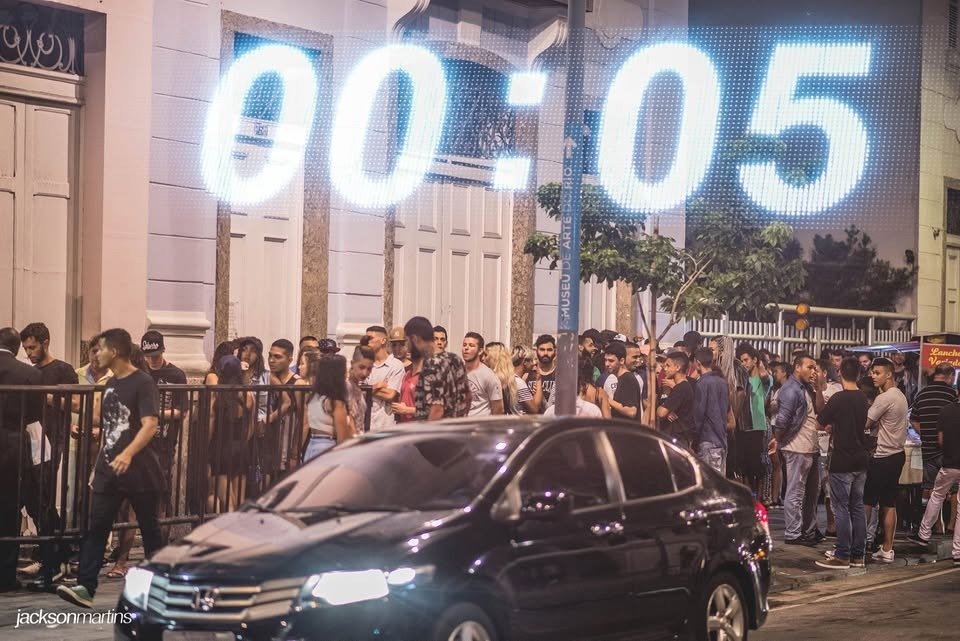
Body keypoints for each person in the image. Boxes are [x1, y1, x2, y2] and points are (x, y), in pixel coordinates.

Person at [57, 329, 164, 609]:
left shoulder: (143, 383)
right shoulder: (112, 384)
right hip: (109, 469)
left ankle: (160, 586)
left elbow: (150, 424)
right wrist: (65, 404)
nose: (96, 354)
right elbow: (104, 420)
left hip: (140, 471)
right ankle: (86, 587)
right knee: (96, 526)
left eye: (101, 349)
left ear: (114, 351)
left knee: (150, 529)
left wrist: (128, 453)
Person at [18, 322, 77, 591]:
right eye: (26, 348)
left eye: (32, 347)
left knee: (43, 497)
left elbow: (76, 402)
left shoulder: (63, 369)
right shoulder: (30, 372)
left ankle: (55, 557)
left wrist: (47, 397)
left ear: (45, 343)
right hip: (31, 439)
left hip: (53, 438)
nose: (29, 353)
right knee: (33, 498)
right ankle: (55, 552)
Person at [816, 357, 871, 569]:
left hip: (842, 459)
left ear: (840, 373)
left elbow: (820, 421)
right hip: (861, 459)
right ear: (858, 374)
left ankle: (842, 555)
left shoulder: (839, 398)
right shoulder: (863, 398)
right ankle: (858, 555)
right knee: (857, 507)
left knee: (841, 509)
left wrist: (831, 426)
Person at [0, 327, 43, 591]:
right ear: (17, 347)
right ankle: (5, 575)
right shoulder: (30, 374)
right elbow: (35, 414)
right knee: (9, 505)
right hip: (12, 443)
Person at [772, 353, 825, 546]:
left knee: (812, 492)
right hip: (797, 447)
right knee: (795, 492)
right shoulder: (791, 389)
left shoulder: (806, 388)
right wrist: (777, 439)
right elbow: (782, 420)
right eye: (809, 367)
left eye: (815, 368)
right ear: (797, 367)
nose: (813, 371)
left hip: (810, 447)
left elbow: (820, 411)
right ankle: (793, 533)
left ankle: (808, 530)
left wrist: (818, 387)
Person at [863, 357, 909, 563]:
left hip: (882, 456)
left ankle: (856, 546)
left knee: (866, 502)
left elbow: (865, 423)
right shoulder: (900, 396)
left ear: (889, 374)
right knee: (889, 503)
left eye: (877, 372)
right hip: (897, 455)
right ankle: (888, 549)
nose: (873, 376)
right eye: (872, 372)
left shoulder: (884, 398)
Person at [909, 395, 960, 565]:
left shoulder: (946, 410)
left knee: (937, 495)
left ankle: (923, 534)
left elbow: (940, 439)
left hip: (949, 464)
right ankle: (958, 552)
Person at [909, 363, 958, 526]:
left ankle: (932, 525)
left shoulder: (922, 394)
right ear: (950, 376)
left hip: (928, 449)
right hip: (949, 450)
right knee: (953, 489)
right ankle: (951, 525)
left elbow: (913, 420)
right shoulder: (952, 394)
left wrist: (926, 432)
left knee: (930, 487)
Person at [405, 316, 470, 420]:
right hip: (457, 427)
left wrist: (430, 428)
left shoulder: (431, 365)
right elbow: (467, 397)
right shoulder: (455, 359)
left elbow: (437, 409)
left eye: (407, 342)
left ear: (415, 339)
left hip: (436, 428)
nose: (407, 348)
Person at [301, 354, 354, 463]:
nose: (347, 374)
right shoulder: (336, 403)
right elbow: (342, 438)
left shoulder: (312, 398)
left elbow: (305, 425)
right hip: (329, 448)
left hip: (312, 446)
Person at [736, 343, 772, 498]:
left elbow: (765, 377)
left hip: (756, 427)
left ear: (754, 359)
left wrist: (760, 365)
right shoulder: (743, 379)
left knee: (755, 466)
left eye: (746, 360)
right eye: (741, 361)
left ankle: (757, 498)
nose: (744, 364)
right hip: (741, 426)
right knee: (742, 466)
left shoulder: (764, 378)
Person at [692, 347, 730, 475]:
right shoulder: (723, 382)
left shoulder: (702, 383)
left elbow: (698, 415)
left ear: (698, 363)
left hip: (707, 440)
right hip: (721, 440)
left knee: (710, 483)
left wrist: (693, 439)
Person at [364, 326, 405, 431]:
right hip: (365, 425)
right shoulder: (364, 364)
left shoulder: (396, 365)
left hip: (385, 426)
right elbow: (357, 389)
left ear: (383, 341)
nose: (366, 341)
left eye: (370, 338)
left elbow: (390, 395)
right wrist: (377, 386)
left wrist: (366, 388)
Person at [657, 351, 695, 447]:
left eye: (668, 365)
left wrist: (664, 409)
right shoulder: (678, 387)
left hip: (677, 440)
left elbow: (661, 413)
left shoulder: (681, 388)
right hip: (672, 438)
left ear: (678, 367)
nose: (664, 368)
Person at [462, 333, 504, 416]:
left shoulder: (489, 376)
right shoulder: (457, 372)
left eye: (471, 345)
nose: (466, 348)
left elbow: (498, 410)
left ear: (480, 351)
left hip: (480, 423)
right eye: (464, 345)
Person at [606, 342, 640, 421]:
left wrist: (607, 399)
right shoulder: (621, 378)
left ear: (621, 361)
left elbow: (631, 412)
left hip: (628, 428)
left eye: (611, 361)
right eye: (605, 360)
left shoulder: (628, 379)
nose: (607, 364)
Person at [392, 341, 423, 423]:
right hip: (403, 425)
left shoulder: (427, 376)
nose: (408, 350)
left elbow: (431, 410)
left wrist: (406, 410)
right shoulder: (407, 374)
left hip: (418, 426)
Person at [484, 342, 519, 415]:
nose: (482, 358)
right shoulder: (510, 378)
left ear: (494, 357)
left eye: (485, 355)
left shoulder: (494, 379)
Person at [346, 346, 374, 433]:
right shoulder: (346, 387)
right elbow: (348, 421)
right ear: (352, 363)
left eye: (369, 369)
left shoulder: (356, 387)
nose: (365, 373)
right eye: (361, 367)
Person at [529, 334, 557, 413]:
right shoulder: (527, 374)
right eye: (542, 349)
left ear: (555, 351)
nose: (545, 353)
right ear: (536, 351)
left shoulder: (560, 376)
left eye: (549, 350)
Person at [510, 345, 537, 415]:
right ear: (525, 362)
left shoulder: (511, 378)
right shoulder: (519, 383)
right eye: (531, 360)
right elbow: (534, 410)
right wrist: (539, 379)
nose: (534, 363)